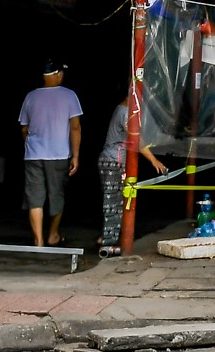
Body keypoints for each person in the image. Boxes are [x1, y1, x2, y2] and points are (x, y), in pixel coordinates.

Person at [19, 60, 83, 248]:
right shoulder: (70, 96)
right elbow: (75, 127)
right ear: (59, 74)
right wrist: (76, 155)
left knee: (35, 197)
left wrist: (31, 145)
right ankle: (52, 235)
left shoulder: (30, 96)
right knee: (56, 195)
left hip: (33, 154)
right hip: (59, 154)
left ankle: (37, 240)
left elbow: (24, 128)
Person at [97, 95, 165, 258]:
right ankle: (108, 242)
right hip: (113, 161)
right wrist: (153, 160)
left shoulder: (125, 110)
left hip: (115, 161)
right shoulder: (125, 113)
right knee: (113, 203)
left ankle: (107, 237)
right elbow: (136, 139)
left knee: (117, 202)